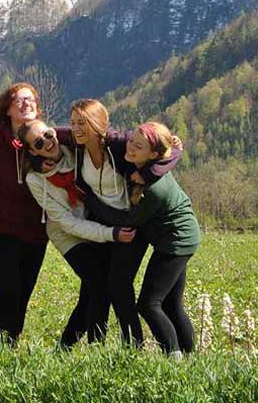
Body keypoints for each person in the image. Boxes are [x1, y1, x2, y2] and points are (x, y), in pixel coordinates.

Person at [62, 99, 182, 347]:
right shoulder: (76, 145)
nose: (76, 128)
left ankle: (132, 347)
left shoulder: (118, 144)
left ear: (98, 124)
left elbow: (166, 149)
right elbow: (44, 136)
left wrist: (148, 173)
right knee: (95, 288)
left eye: (82, 122)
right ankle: (97, 346)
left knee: (119, 286)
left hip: (130, 226)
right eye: (73, 122)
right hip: (103, 227)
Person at [83, 122, 200, 360]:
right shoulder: (139, 165)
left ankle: (174, 358)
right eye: (131, 141)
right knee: (171, 305)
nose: (131, 147)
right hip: (179, 239)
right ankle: (190, 359)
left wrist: (91, 202)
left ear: (154, 155)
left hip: (176, 242)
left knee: (149, 304)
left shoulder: (155, 189)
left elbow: (129, 219)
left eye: (139, 146)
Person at [18, 118, 137, 349]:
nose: (47, 143)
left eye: (48, 135)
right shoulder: (35, 179)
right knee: (98, 284)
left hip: (94, 222)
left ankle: (65, 347)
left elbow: (96, 135)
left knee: (91, 293)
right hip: (68, 234)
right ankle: (96, 347)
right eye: (38, 143)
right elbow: (68, 223)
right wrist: (111, 233)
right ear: (32, 151)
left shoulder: (74, 149)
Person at [0, 82, 48, 345]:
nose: (26, 104)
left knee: (24, 291)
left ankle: (12, 342)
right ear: (6, 109)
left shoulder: (46, 137)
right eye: (18, 100)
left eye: (30, 100)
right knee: (9, 289)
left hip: (35, 231)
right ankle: (5, 345)